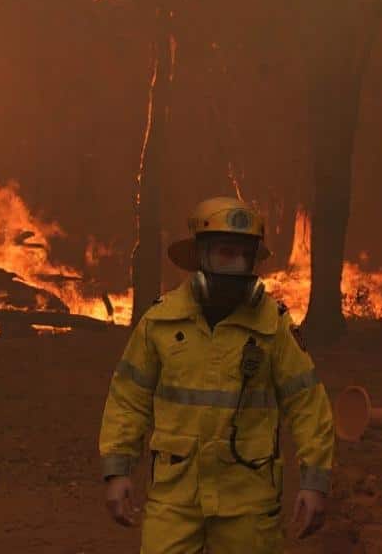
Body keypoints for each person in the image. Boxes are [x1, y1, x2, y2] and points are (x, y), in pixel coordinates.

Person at [98, 196, 336, 553]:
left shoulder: (273, 326)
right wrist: (117, 470)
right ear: (200, 255)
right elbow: (128, 400)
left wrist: (315, 482)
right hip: (175, 499)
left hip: (249, 501)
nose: (236, 264)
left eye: (244, 254)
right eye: (226, 252)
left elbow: (308, 405)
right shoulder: (160, 322)